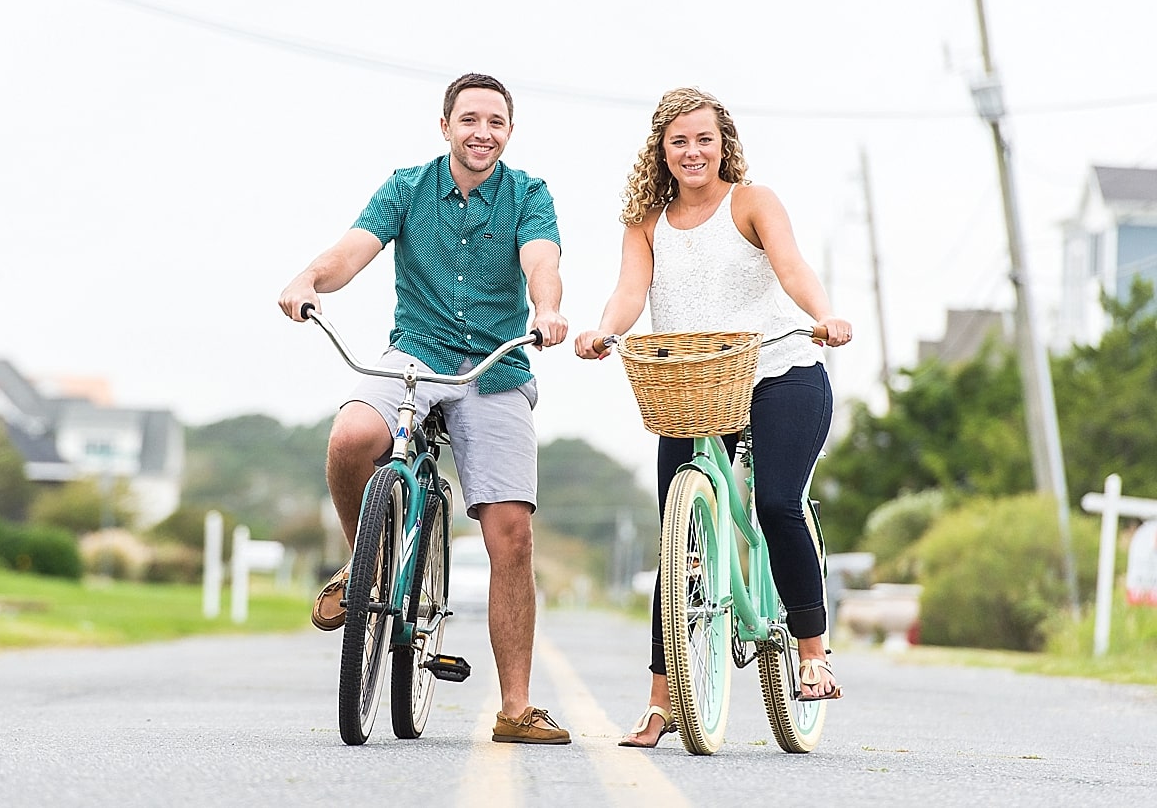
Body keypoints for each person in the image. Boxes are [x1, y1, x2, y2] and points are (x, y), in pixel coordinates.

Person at [278, 73, 571, 745]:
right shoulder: (407, 188)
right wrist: (307, 281)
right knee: (352, 436)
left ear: (509, 132)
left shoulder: (529, 196)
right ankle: (368, 564)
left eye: (495, 122)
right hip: (416, 351)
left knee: (511, 534)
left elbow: (541, 262)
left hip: (495, 368)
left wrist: (548, 308)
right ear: (446, 127)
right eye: (470, 120)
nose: (482, 132)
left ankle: (516, 708)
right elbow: (351, 252)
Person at [574, 86, 853, 748]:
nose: (693, 151)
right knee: (681, 534)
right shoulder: (646, 218)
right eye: (680, 141)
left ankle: (812, 655)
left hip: (782, 369)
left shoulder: (753, 202)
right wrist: (605, 331)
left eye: (704, 139)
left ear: (723, 142)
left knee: (779, 503)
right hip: (695, 381)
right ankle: (660, 703)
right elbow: (630, 291)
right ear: (661, 151)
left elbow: (791, 268)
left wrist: (824, 315)